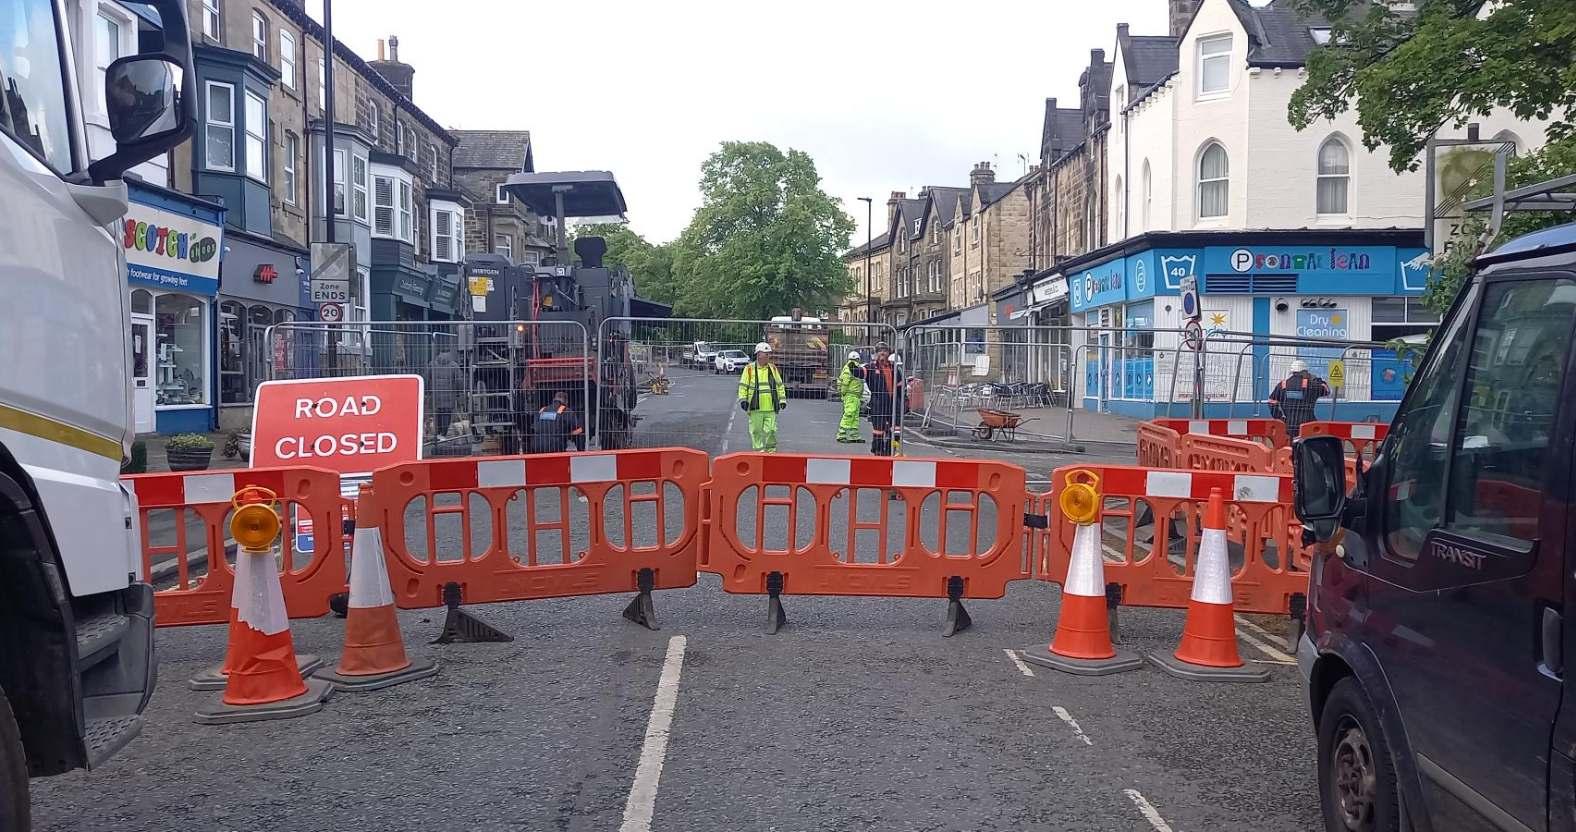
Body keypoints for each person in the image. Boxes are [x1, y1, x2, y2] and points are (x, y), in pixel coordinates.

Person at [853, 342, 903, 456]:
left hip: (892, 403)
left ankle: (894, 450)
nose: (882, 353)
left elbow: (899, 387)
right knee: (879, 430)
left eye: (885, 351)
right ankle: (878, 451)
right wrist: (852, 365)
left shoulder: (893, 368)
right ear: (876, 354)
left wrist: (902, 403)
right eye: (880, 351)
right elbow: (859, 373)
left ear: (888, 353)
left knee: (896, 430)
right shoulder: (871, 367)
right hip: (878, 402)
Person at [737, 341, 787, 453]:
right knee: (756, 431)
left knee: (772, 430)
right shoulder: (749, 369)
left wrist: (782, 399)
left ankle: (771, 451)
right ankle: (759, 451)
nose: (769, 356)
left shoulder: (772, 368)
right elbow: (743, 386)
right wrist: (743, 400)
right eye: (766, 354)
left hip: (770, 407)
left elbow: (779, 385)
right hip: (755, 407)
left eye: (769, 354)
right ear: (759, 354)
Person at [1268, 359, 1330, 438]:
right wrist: (1317, 380)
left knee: (1290, 445)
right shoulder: (1311, 385)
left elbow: (1271, 402)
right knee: (1308, 444)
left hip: (1289, 424)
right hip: (1308, 423)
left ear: (1293, 372)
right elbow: (1326, 390)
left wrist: (1280, 418)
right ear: (1304, 372)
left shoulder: (1283, 385)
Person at [426, 349, 464, 437]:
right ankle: (443, 433)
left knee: (437, 413)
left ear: (439, 353)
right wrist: (459, 392)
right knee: (446, 413)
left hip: (436, 395)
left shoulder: (432, 364)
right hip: (449, 395)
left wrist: (427, 391)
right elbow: (459, 381)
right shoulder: (454, 365)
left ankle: (438, 433)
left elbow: (426, 378)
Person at [835, 350, 864, 443]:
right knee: (849, 414)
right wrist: (844, 393)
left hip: (854, 395)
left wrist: (843, 393)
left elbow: (844, 382)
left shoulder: (851, 367)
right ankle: (841, 434)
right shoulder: (850, 367)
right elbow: (845, 382)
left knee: (854, 416)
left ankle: (853, 435)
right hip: (851, 395)